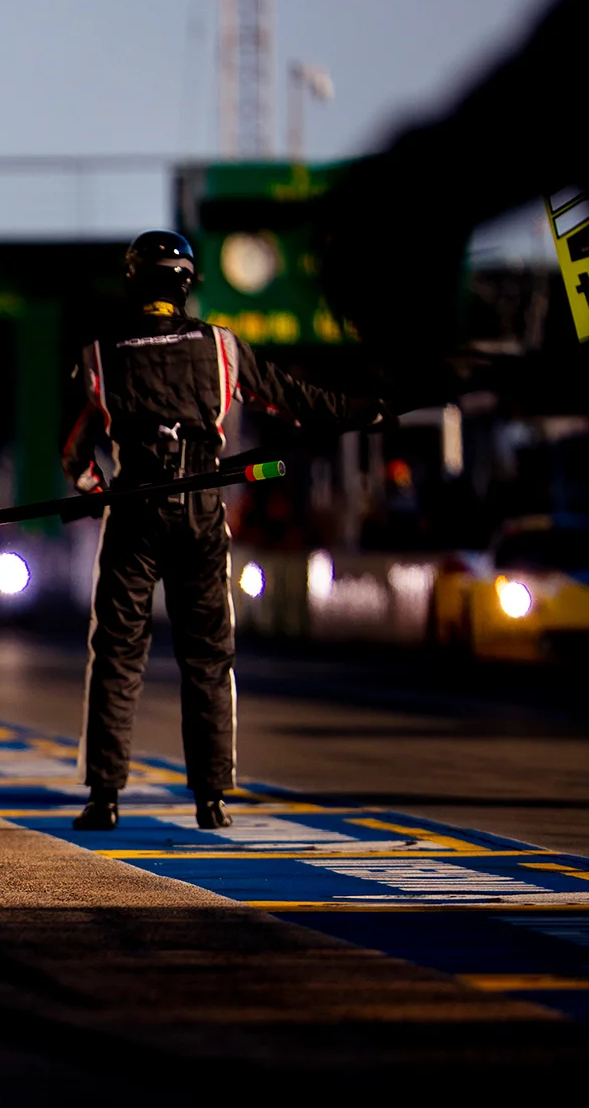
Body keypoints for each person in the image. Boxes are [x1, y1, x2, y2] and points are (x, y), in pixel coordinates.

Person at [62, 230, 387, 833]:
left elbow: (77, 456)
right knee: (208, 657)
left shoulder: (100, 353)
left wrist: (94, 492)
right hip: (201, 507)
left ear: (134, 279)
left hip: (134, 510)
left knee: (116, 656)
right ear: (187, 283)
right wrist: (365, 411)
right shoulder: (223, 348)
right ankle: (211, 798)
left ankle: (104, 797)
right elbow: (297, 400)